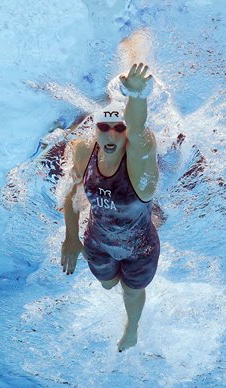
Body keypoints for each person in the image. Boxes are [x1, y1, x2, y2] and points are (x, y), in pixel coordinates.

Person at [61, 63, 160, 352]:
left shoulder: (139, 160)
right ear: (96, 131)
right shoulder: (84, 151)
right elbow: (72, 192)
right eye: (104, 127)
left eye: (120, 129)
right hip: (98, 242)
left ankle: (132, 327)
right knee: (107, 285)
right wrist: (70, 237)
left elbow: (139, 129)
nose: (112, 135)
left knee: (131, 291)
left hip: (139, 249)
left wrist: (137, 97)